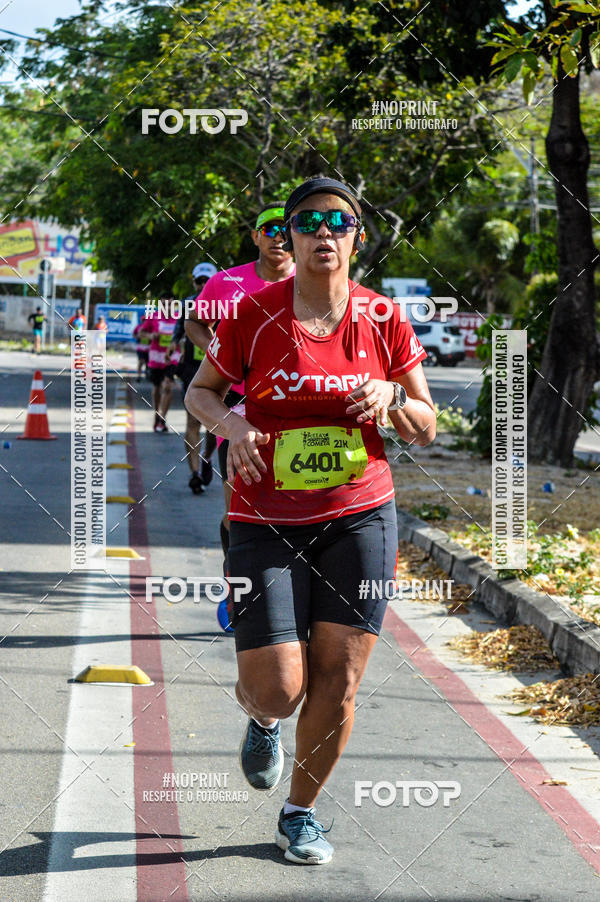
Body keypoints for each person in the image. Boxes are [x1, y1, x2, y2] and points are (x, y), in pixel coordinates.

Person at [186, 176, 436, 865]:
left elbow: (424, 425)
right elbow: (200, 392)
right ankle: (263, 719)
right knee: (280, 686)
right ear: (288, 237)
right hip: (262, 513)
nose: (324, 232)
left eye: (339, 222)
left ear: (358, 237)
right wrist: (231, 422)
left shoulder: (384, 319)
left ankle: (300, 814)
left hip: (359, 517)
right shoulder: (252, 316)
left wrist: (390, 395)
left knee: (340, 678)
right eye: (308, 222)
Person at [185, 203, 295, 560]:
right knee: (238, 502)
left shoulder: (309, 282)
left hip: (295, 403)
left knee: (294, 500)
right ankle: (236, 585)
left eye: (285, 230)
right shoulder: (225, 282)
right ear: (255, 237)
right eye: (268, 230)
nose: (277, 238)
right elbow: (194, 323)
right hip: (236, 403)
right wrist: (222, 356)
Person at [170, 262, 218, 493]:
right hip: (191, 368)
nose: (203, 286)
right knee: (192, 421)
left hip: (218, 369)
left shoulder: (226, 302)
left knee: (212, 426)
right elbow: (179, 328)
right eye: (199, 281)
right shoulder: (188, 303)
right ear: (194, 282)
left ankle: (207, 457)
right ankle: (194, 473)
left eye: (207, 281)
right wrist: (173, 344)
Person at [141, 295, 180, 432]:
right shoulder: (153, 317)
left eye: (170, 304)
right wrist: (150, 336)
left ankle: (162, 419)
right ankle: (157, 415)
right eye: (164, 304)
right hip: (156, 358)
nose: (167, 308)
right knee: (157, 388)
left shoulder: (179, 318)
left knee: (167, 386)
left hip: (172, 357)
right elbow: (141, 333)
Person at [133, 316, 151, 382]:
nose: (144, 321)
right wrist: (138, 336)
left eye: (145, 320)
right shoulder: (138, 327)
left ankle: (147, 374)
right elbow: (134, 335)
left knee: (148, 363)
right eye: (143, 320)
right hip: (140, 348)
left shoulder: (150, 327)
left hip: (149, 348)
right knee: (141, 361)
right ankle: (139, 376)